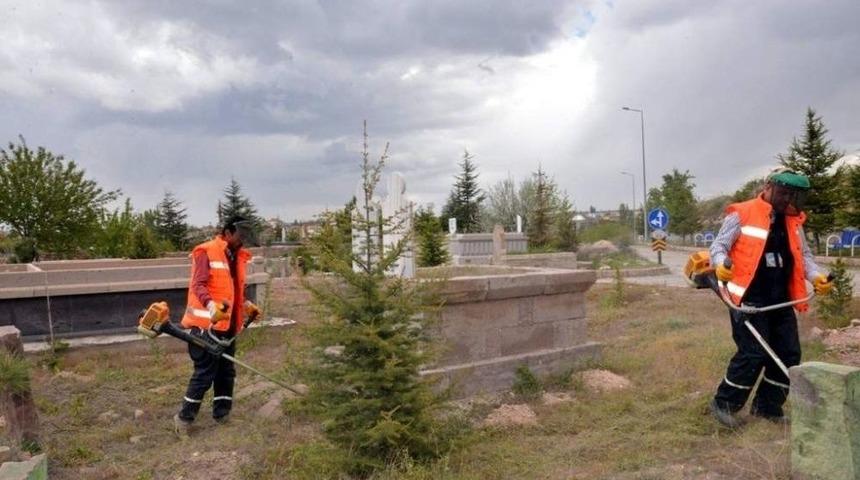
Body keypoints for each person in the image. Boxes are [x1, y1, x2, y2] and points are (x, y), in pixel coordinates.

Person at [708, 168, 832, 428]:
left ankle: (767, 408)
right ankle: (724, 404)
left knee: (789, 354)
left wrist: (817, 277)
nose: (787, 198)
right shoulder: (743, 213)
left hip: (781, 299)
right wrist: (720, 264)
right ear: (768, 186)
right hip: (749, 299)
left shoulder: (793, 221)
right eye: (784, 192)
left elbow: (804, 256)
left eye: (793, 195)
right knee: (753, 353)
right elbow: (718, 246)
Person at [173, 215, 262, 439]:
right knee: (204, 374)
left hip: (228, 328)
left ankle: (222, 414)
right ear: (228, 232)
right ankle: (183, 419)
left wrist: (246, 305)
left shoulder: (237, 256)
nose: (242, 242)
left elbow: (232, 290)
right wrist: (210, 305)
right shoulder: (206, 251)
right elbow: (198, 285)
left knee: (226, 373)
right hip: (205, 327)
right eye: (240, 237)